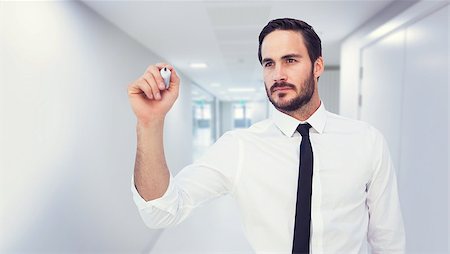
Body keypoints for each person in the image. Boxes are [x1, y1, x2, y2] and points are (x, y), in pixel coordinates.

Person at [127, 18, 405, 254]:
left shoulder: (366, 141)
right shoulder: (240, 147)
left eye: (290, 60)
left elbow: (388, 239)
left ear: (317, 66)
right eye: (269, 63)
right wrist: (150, 123)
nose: (278, 74)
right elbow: (160, 211)